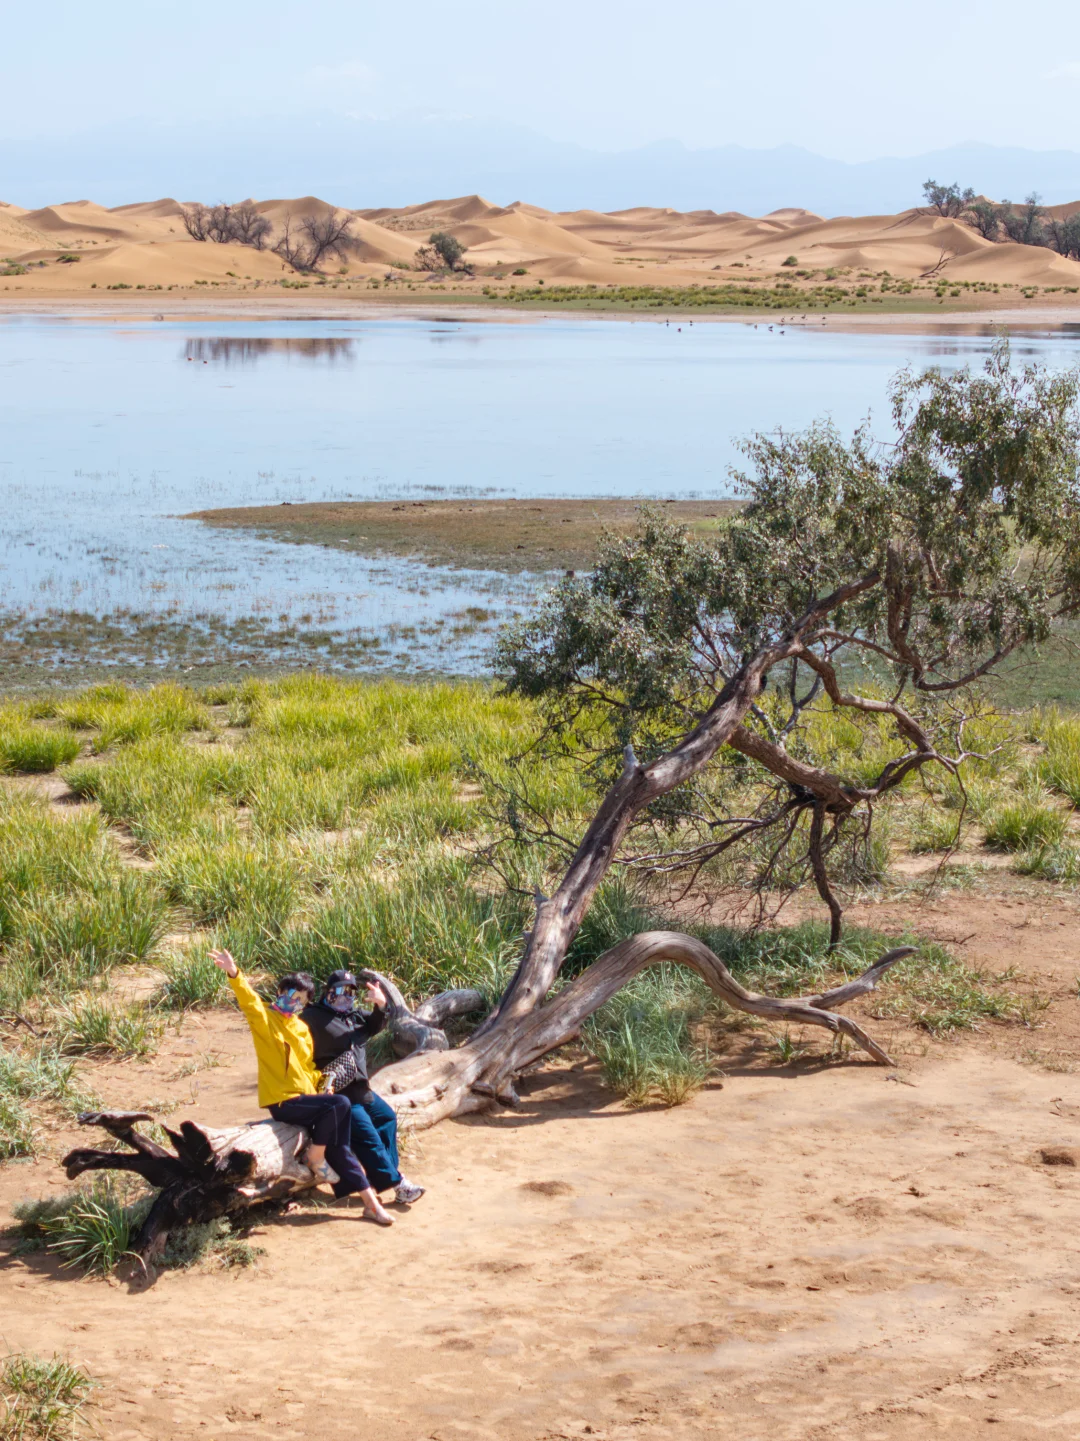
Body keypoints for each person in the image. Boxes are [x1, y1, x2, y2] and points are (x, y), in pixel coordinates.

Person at [209, 949, 393, 1227]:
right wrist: (234, 973)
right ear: (280, 991)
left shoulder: (301, 1029)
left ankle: (371, 1205)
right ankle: (315, 1156)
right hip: (282, 1102)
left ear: (306, 1003)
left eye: (300, 1000)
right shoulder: (265, 1019)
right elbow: (249, 1001)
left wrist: (324, 1083)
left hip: (307, 1099)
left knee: (340, 1146)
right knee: (341, 1105)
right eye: (290, 995)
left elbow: (307, 1067)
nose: (293, 1002)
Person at [301, 970, 425, 1206]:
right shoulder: (312, 1017)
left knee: (387, 1118)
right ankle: (400, 1185)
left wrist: (380, 1005)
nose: (346, 995)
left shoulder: (354, 1015)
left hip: (361, 1089)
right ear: (328, 992)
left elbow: (373, 1026)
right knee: (368, 1136)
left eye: (351, 991)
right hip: (337, 1094)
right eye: (340, 990)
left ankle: (386, 1174)